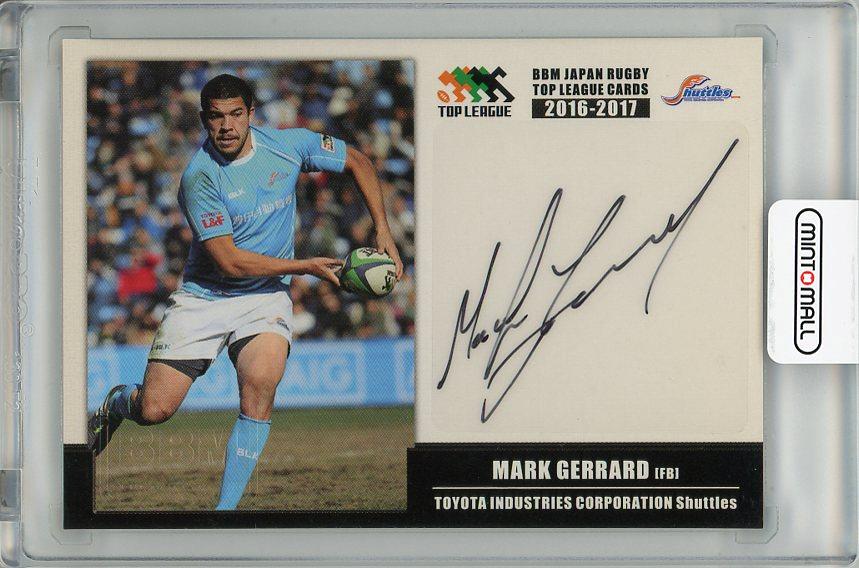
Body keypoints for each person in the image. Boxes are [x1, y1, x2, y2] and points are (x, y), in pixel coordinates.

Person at [87, 73, 403, 510]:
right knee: (154, 410)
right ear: (204, 120)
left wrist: (383, 229)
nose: (227, 126)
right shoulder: (200, 178)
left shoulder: (288, 145)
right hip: (204, 299)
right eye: (216, 117)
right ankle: (118, 403)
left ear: (251, 113)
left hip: (264, 297)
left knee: (260, 383)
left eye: (236, 114)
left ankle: (224, 514)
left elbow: (359, 162)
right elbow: (230, 262)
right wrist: (305, 267)